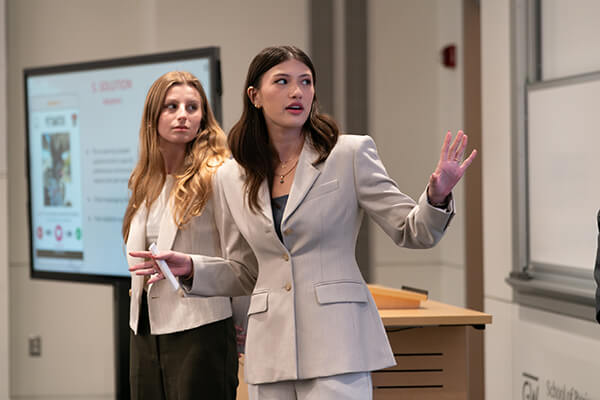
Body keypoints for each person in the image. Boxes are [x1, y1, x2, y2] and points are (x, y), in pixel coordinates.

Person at [130, 46, 477, 400]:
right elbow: (246, 271)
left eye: (306, 82)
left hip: (337, 344)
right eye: (282, 81)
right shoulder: (231, 176)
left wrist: (436, 196)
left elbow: (412, 231)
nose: (297, 92)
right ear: (255, 96)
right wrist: (192, 267)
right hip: (270, 349)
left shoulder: (349, 154)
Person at [123, 71, 238, 399]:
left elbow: (242, 256)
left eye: (192, 107)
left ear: (203, 117)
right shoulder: (144, 180)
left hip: (200, 327)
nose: (182, 115)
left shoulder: (220, 175)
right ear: (152, 117)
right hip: (143, 329)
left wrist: (244, 320)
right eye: (171, 107)